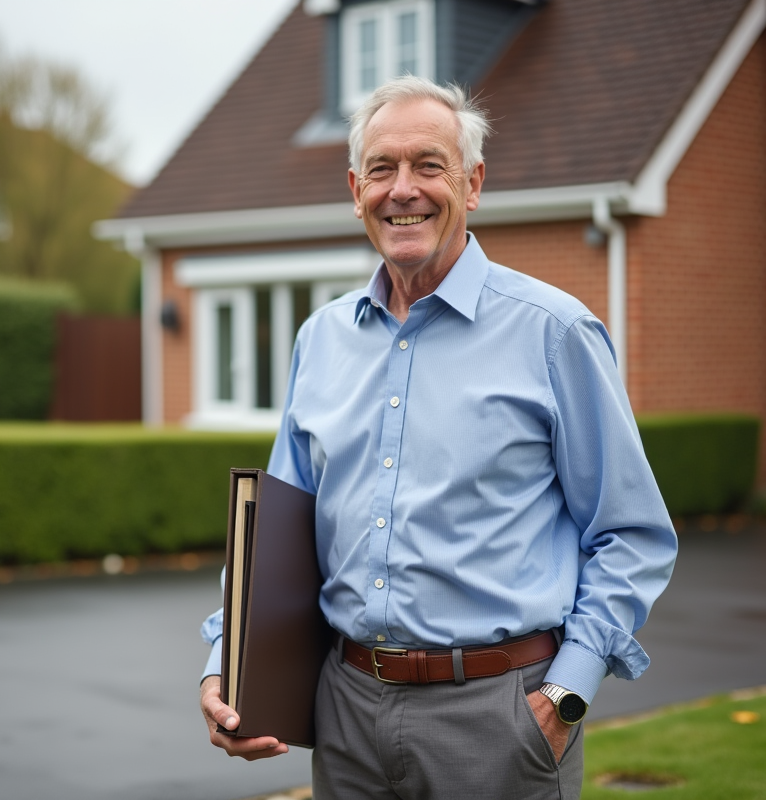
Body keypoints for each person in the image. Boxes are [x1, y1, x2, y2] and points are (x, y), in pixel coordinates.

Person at [198, 75, 677, 800]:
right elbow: (276, 539)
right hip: (346, 712)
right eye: (383, 170)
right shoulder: (319, 340)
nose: (404, 190)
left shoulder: (554, 333)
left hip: (499, 718)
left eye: (429, 165)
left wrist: (568, 693)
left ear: (473, 183)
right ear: (356, 189)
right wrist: (223, 662)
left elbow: (631, 532)